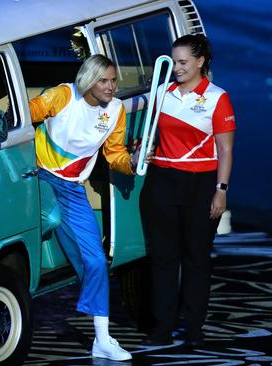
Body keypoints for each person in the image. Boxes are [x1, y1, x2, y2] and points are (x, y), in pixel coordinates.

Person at [29, 54, 138, 361]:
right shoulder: (64, 94)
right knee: (50, 217)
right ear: (88, 80)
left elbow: (114, 153)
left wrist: (131, 161)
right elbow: (26, 114)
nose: (111, 86)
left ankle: (102, 339)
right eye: (104, 80)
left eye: (114, 80)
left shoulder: (116, 110)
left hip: (73, 189)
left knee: (96, 262)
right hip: (39, 176)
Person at [140, 34, 236, 347]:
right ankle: (162, 326)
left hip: (201, 185)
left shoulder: (217, 98)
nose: (177, 68)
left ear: (200, 62)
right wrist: (144, 149)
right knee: (163, 259)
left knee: (196, 259)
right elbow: (150, 137)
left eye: (183, 62)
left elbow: (225, 149)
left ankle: (194, 327)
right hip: (162, 182)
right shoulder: (161, 94)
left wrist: (221, 190)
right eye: (174, 61)